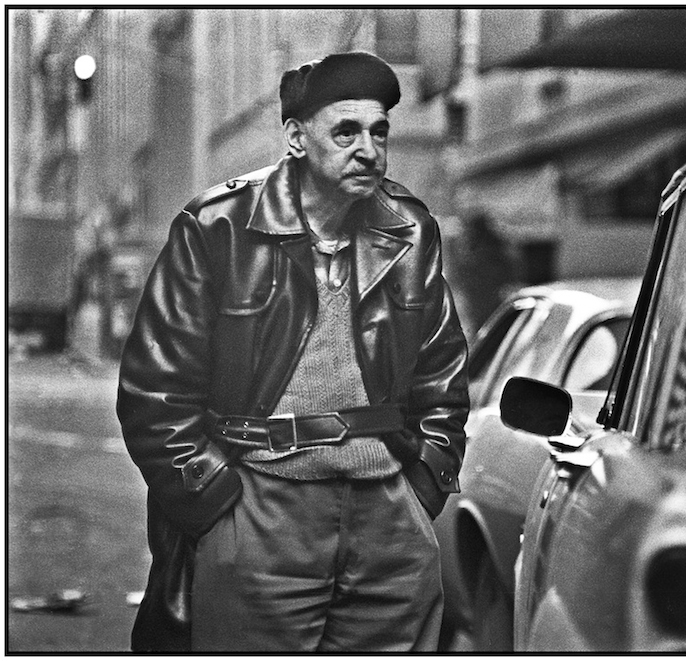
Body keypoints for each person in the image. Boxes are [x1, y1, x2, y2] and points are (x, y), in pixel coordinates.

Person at [117, 51, 469, 652]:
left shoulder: (411, 230)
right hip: (259, 503)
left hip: (390, 516)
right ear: (296, 138)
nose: (368, 149)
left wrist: (424, 486)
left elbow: (443, 373)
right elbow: (154, 392)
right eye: (346, 131)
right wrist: (216, 506)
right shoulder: (218, 228)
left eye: (379, 130)